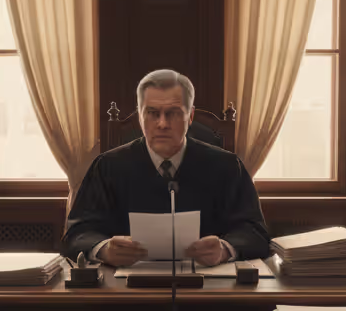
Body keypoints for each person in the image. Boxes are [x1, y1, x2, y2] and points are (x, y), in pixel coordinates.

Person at [62, 69, 270, 266]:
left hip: (208, 292)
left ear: (191, 116)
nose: (162, 124)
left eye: (173, 113)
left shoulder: (228, 167)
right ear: (139, 116)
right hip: (125, 293)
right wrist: (105, 249)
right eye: (152, 113)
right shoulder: (106, 167)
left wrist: (225, 249)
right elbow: (77, 234)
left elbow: (255, 233)